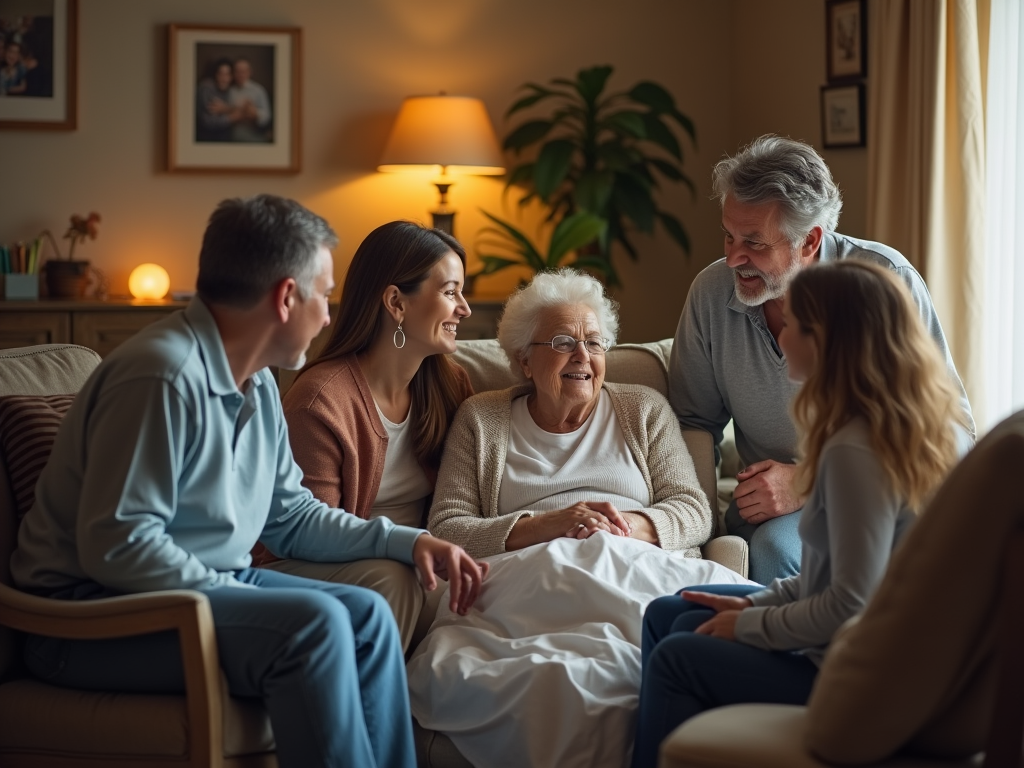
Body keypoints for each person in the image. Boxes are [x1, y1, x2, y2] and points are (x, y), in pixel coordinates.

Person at [10, 194, 487, 768]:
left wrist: (407, 542)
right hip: (91, 617)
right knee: (317, 625)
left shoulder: (258, 382)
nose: (331, 316)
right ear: (287, 297)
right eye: (324, 295)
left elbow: (290, 516)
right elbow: (119, 545)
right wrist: (237, 593)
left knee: (366, 618)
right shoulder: (160, 376)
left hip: (194, 592)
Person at [632, 260, 970, 768]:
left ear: (828, 340)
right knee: (670, 610)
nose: (780, 336)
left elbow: (846, 604)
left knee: (679, 655)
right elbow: (827, 579)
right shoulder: (877, 427)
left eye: (793, 324)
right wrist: (756, 608)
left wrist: (750, 627)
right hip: (858, 645)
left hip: (867, 680)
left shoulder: (856, 450)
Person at [408, 269, 749, 768]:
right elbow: (448, 528)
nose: (583, 357)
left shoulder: (643, 409)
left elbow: (694, 510)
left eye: (594, 342)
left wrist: (625, 527)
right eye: (564, 342)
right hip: (525, 594)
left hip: (635, 571)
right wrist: (549, 524)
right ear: (524, 358)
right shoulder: (482, 419)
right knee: (551, 682)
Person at [669, 133, 974, 586]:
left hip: (876, 497)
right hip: (770, 512)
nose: (733, 258)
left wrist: (809, 481)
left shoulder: (884, 282)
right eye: (728, 235)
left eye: (754, 242)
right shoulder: (711, 294)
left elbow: (951, 435)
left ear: (810, 240)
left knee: (781, 556)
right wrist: (698, 529)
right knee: (753, 563)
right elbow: (693, 420)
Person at [275, 220, 474, 651]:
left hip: (416, 566)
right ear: (396, 302)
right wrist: (404, 547)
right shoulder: (320, 401)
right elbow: (309, 535)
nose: (464, 308)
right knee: (399, 580)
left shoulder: (451, 386)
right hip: (318, 568)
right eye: (450, 291)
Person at [228, 58, 272, 142]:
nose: (240, 74)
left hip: (254, 135)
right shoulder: (229, 90)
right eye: (237, 71)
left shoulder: (259, 90)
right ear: (233, 73)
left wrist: (255, 113)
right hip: (232, 137)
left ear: (250, 72)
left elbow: (266, 116)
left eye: (243, 71)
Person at [195, 58, 235, 142]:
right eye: (220, 74)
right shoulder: (206, 87)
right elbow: (208, 122)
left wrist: (226, 109)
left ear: (231, 77)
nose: (224, 78)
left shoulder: (232, 89)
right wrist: (234, 117)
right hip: (206, 137)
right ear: (215, 75)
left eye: (227, 74)